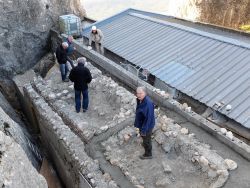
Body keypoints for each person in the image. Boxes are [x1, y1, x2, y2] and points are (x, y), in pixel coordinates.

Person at [134, 86, 155, 159]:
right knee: (145, 138)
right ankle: (145, 142)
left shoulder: (148, 104)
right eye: (137, 93)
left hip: (146, 126)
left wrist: (143, 130)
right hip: (142, 124)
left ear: (145, 93)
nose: (138, 95)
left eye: (141, 93)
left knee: (146, 140)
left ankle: (148, 154)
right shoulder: (140, 100)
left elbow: (148, 119)